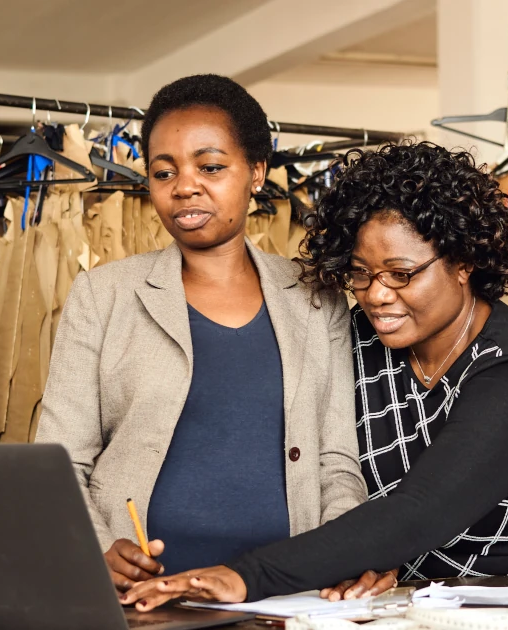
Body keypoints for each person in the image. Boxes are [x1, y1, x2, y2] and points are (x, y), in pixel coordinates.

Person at [120, 141, 508, 610]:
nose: (377, 294)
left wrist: (245, 576)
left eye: (401, 274)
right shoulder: (359, 335)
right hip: (424, 599)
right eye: (360, 273)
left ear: (463, 262)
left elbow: (419, 511)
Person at [34, 74, 366, 596]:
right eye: (164, 171)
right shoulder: (104, 295)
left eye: (210, 166)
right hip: (144, 595)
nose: (184, 185)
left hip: (287, 594)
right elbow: (58, 460)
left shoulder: (315, 297)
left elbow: (336, 460)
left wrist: (337, 556)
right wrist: (95, 547)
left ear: (256, 172)